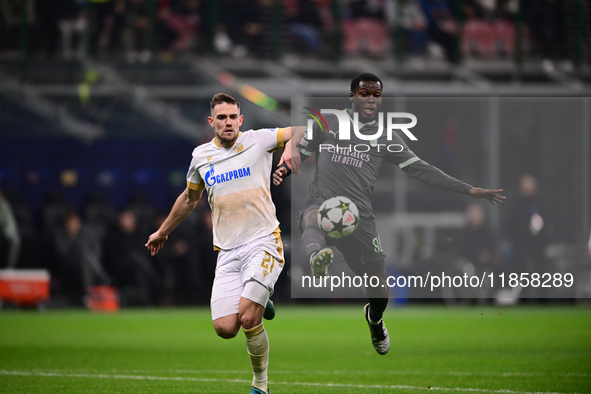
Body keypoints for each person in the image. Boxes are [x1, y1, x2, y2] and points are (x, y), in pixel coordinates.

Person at [273, 73, 504, 355]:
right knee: (312, 217)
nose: (371, 99)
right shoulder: (329, 122)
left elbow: (422, 169)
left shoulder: (385, 136)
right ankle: (315, 257)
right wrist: (285, 165)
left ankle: (375, 317)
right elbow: (301, 146)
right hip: (323, 203)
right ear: (352, 97)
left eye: (376, 94)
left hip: (360, 221)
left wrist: (468, 190)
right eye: (365, 93)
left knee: (379, 289)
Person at [146, 93, 295, 394]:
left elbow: (304, 130)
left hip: (263, 241)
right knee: (226, 328)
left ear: (240, 120)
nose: (228, 122)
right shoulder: (201, 156)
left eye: (233, 117)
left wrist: (290, 149)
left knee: (248, 315)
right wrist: (163, 231)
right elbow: (189, 199)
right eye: (222, 117)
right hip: (227, 251)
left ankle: (260, 385)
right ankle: (261, 296)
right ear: (211, 121)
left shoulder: (258, 140)